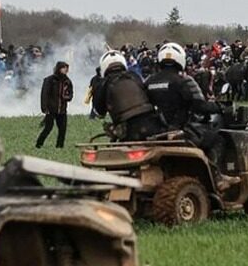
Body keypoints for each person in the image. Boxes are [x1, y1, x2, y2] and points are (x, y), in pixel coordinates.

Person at [144, 43, 237, 190]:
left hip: (155, 132)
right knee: (218, 139)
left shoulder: (149, 82)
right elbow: (200, 106)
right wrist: (221, 107)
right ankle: (217, 177)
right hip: (180, 132)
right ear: (181, 59)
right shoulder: (183, 81)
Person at [92, 50, 166, 141]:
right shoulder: (134, 76)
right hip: (152, 124)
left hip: (129, 131)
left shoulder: (103, 84)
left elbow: (99, 111)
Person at [35, 62, 73, 149]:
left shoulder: (67, 81)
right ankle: (39, 144)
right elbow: (44, 94)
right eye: (64, 67)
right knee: (48, 128)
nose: (66, 70)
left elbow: (71, 94)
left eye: (67, 68)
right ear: (59, 68)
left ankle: (60, 146)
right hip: (51, 109)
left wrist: (67, 97)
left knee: (62, 129)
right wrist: (44, 108)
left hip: (62, 109)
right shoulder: (50, 80)